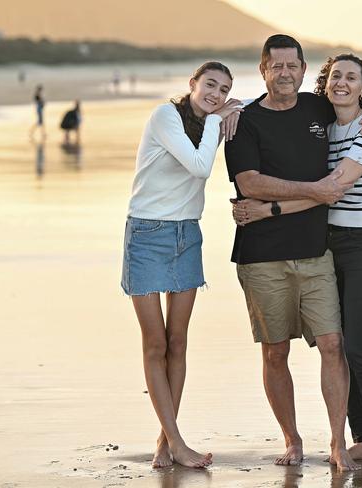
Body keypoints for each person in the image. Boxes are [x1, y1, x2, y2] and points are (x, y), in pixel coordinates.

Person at [224, 35, 362, 472]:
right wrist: (316, 190)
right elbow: (250, 183)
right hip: (261, 257)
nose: (284, 73)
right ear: (263, 70)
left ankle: (338, 443)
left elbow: (355, 104)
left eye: (291, 66)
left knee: (333, 345)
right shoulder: (244, 121)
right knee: (276, 352)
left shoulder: (318, 109)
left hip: (318, 253)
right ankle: (293, 439)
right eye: (275, 66)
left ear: (302, 69)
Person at [121, 61, 242, 469]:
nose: (216, 94)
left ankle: (164, 441)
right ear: (193, 84)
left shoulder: (213, 121)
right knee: (155, 344)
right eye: (210, 85)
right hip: (147, 235)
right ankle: (177, 441)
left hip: (186, 236)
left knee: (178, 341)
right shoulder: (165, 116)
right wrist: (218, 120)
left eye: (224, 90)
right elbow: (200, 166)